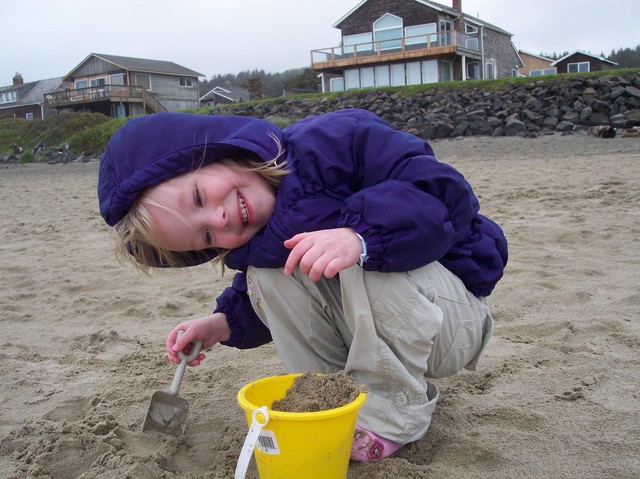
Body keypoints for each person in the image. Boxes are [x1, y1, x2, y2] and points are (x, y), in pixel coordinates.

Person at [98, 109, 507, 462]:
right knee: (270, 271)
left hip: (453, 316)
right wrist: (221, 323)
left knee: (339, 245)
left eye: (201, 198)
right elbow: (280, 296)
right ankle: (337, 404)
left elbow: (443, 194)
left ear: (212, 150)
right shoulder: (260, 241)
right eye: (206, 238)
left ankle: (392, 417)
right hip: (395, 328)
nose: (219, 221)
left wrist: (360, 237)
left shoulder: (337, 140)